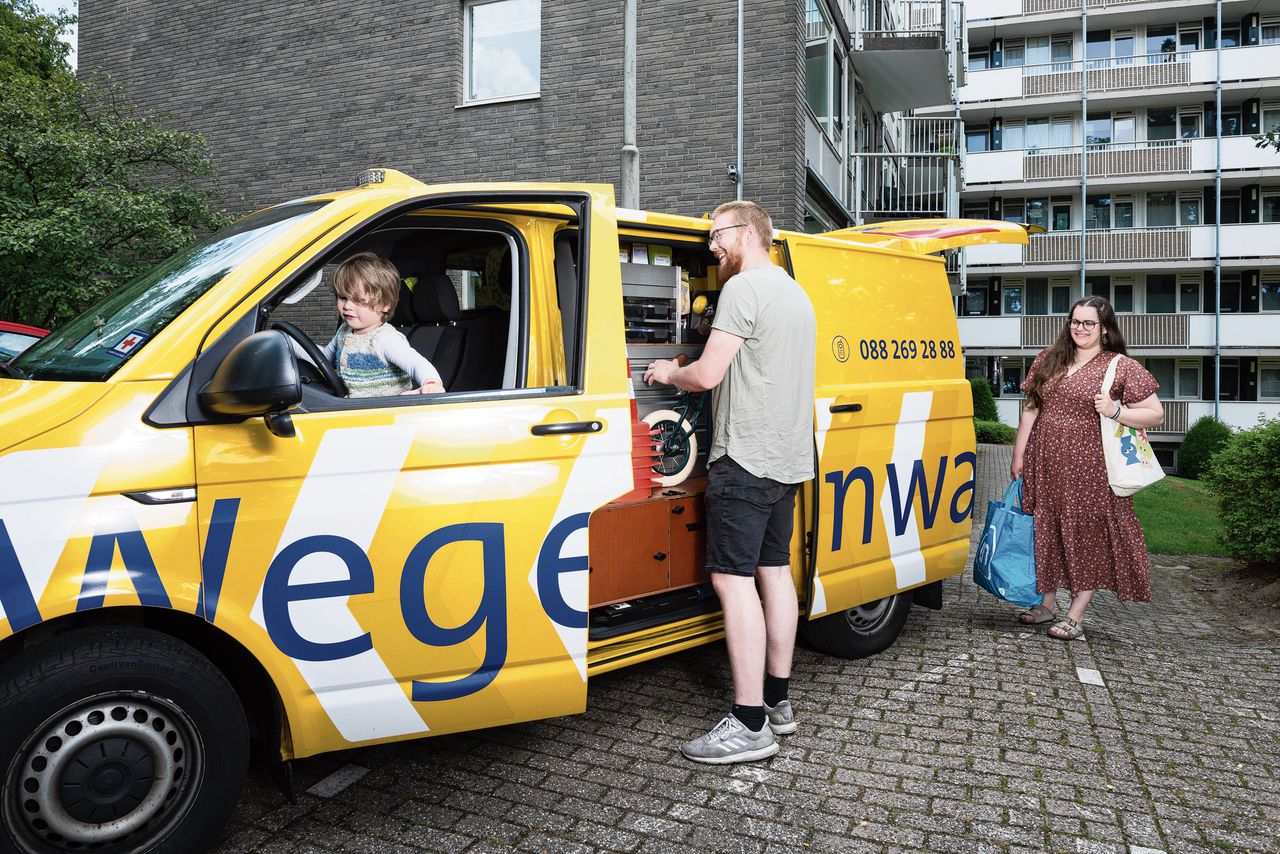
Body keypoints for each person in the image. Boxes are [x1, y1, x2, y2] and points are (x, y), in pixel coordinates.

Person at [643, 200, 816, 764]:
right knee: (774, 574)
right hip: (787, 458)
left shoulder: (743, 289)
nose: (710, 246)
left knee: (731, 581)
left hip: (744, 457)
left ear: (746, 232)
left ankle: (748, 723)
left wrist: (669, 371)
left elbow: (706, 373)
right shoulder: (795, 292)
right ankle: (778, 703)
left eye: (716, 236)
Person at [1010, 296, 1164, 640]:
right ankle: (1046, 605)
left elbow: (1155, 413)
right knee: (1046, 531)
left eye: (1088, 323)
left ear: (1104, 329)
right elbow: (1031, 410)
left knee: (1088, 537)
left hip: (1092, 472)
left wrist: (1114, 410)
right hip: (1045, 464)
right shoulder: (1048, 360)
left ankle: (1076, 615)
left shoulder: (1119, 366)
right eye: (1075, 322)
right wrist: (1018, 455)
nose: (1080, 328)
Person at [320, 252, 445, 398]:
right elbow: (323, 359)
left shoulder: (386, 339)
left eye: (359, 300)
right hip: (351, 409)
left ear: (386, 305)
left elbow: (416, 363)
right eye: (342, 297)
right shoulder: (344, 330)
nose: (347, 306)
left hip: (382, 414)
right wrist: (293, 345)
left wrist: (431, 383)